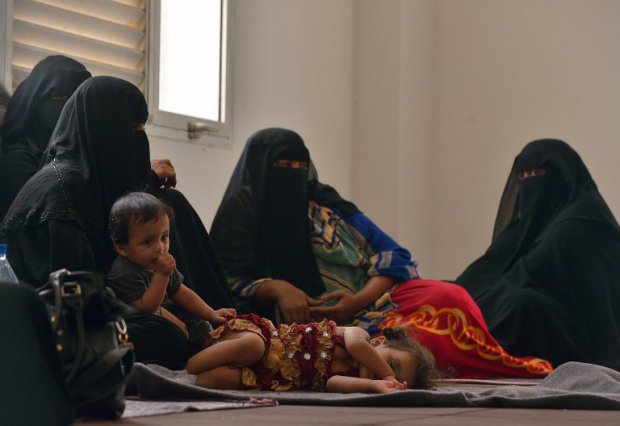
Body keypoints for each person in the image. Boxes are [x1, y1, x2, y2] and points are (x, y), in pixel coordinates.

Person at [210, 128, 553, 379]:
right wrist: (273, 287)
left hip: (373, 300)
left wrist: (358, 300)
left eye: (300, 168)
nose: (293, 176)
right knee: (426, 339)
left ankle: (499, 360)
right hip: (319, 328)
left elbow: (396, 256)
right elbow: (222, 282)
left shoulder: (327, 205)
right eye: (282, 167)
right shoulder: (239, 221)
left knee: (451, 295)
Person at [0, 76, 233, 369]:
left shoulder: (86, 180)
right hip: (52, 323)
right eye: (129, 131)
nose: (137, 141)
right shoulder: (60, 195)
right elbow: (74, 295)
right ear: (101, 131)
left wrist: (160, 309)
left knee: (184, 323)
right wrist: (156, 314)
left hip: (97, 309)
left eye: (141, 130)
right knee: (166, 337)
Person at [456, 139, 620, 371]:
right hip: (551, 310)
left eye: (536, 174)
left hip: (583, 327)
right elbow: (491, 265)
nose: (529, 183)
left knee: (520, 304)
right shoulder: (537, 219)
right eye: (523, 176)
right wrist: (455, 295)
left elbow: (531, 271)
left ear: (562, 177)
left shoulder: (581, 219)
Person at [107, 191, 236, 348]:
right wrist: (162, 275)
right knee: (244, 347)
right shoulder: (123, 272)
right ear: (122, 248)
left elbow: (181, 292)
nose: (160, 248)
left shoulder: (158, 263)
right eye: (148, 242)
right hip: (159, 336)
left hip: (188, 326)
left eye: (164, 237)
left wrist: (210, 313)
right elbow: (147, 308)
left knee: (237, 340)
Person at [185, 313, 437, 392]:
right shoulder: (359, 337)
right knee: (252, 347)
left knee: (222, 381)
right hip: (264, 340)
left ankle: (188, 380)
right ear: (380, 341)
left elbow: (332, 383)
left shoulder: (353, 377)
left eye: (394, 376)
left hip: (268, 375)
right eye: (391, 362)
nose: (388, 373)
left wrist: (374, 386)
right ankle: (187, 366)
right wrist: (386, 373)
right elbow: (357, 347)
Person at [0, 55, 91, 220]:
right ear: (37, 101)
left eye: (74, 102)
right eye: (61, 98)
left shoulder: (82, 157)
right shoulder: (19, 162)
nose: (68, 111)